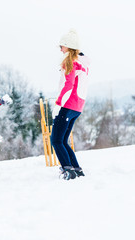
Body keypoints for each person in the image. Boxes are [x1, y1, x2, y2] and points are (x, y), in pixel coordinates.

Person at [51, 29, 90, 180]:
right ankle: (76, 168)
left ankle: (68, 170)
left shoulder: (71, 62)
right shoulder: (83, 64)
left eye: (62, 45)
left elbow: (68, 86)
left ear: (69, 46)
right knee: (62, 140)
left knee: (56, 140)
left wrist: (58, 104)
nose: (60, 48)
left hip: (67, 106)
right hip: (77, 107)